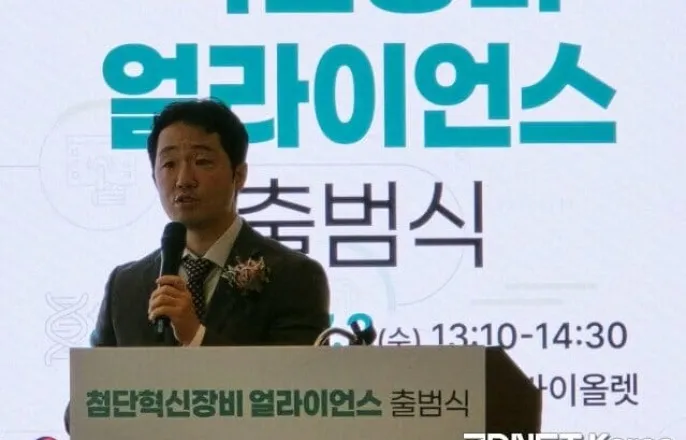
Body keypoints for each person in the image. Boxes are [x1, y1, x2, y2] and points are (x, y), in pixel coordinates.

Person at [63, 98, 331, 433]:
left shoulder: (294, 276)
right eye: (168, 164)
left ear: (239, 175)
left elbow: (300, 398)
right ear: (154, 177)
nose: (183, 179)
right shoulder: (126, 284)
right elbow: (82, 412)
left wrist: (195, 336)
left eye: (202, 161)